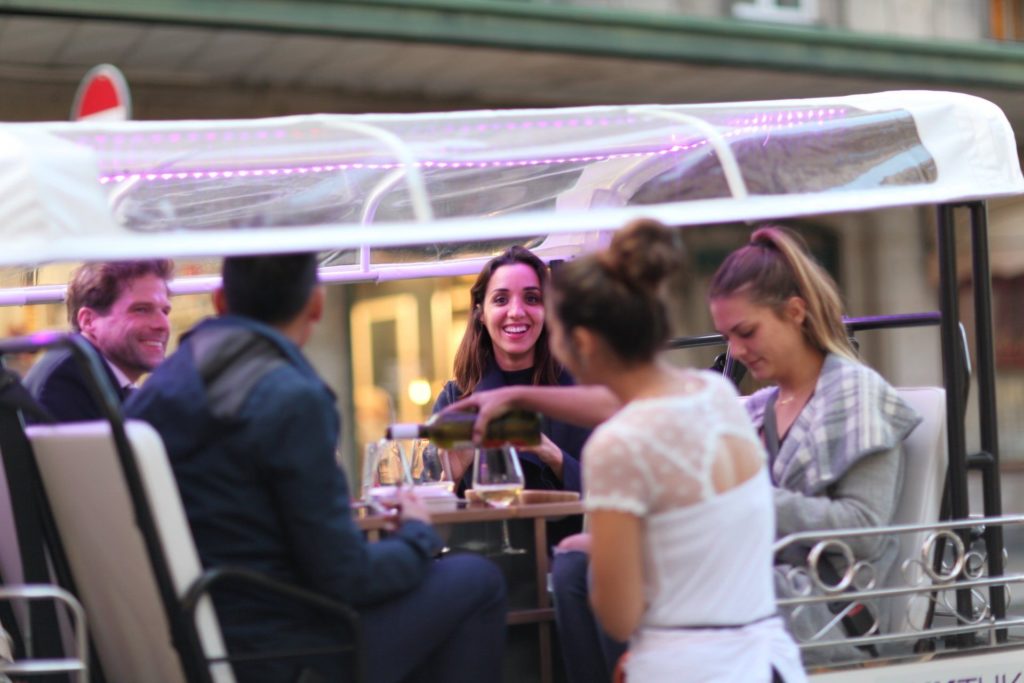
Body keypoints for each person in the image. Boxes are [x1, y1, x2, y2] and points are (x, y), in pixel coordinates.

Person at [451, 219, 806, 682]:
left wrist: (609, 545)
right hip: (770, 661)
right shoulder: (711, 393)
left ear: (579, 341)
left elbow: (618, 616)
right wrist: (517, 398)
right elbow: (629, 402)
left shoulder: (617, 448)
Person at [126, 253, 506, 683]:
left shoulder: (154, 393)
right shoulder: (290, 396)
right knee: (476, 579)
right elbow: (348, 578)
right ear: (316, 305)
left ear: (218, 300)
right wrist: (420, 535)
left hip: (192, 640)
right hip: (288, 652)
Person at [433, 245, 590, 498]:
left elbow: (615, 492)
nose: (516, 312)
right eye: (500, 299)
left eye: (532, 298)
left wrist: (553, 456)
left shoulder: (582, 393)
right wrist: (452, 477)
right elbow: (428, 523)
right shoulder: (455, 400)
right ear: (480, 313)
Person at [23, 260, 173, 422]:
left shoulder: (100, 378)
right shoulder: (70, 382)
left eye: (165, 311)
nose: (162, 324)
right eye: (141, 310)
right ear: (88, 321)